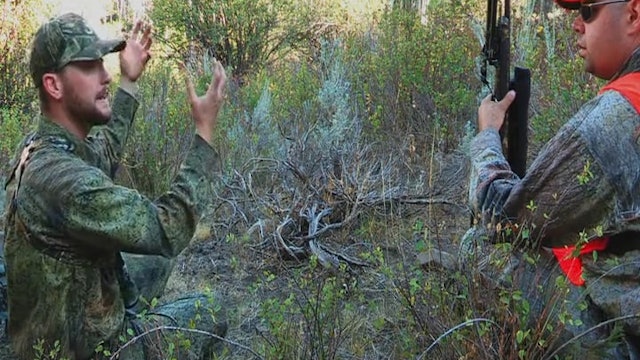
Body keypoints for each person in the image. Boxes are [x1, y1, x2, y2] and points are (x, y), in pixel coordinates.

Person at [2, 12, 227, 360]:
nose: (105, 75)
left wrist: (130, 82)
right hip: (85, 349)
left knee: (156, 265)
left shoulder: (43, 147)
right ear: (54, 85)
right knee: (212, 308)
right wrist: (204, 135)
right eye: (90, 67)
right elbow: (168, 229)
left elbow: (101, 152)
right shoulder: (63, 182)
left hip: (56, 322)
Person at [459, 0, 640, 357]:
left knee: (478, 247)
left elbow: (503, 215)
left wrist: (487, 136)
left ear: (634, 15)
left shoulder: (620, 115)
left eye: (588, 12)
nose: (576, 24)